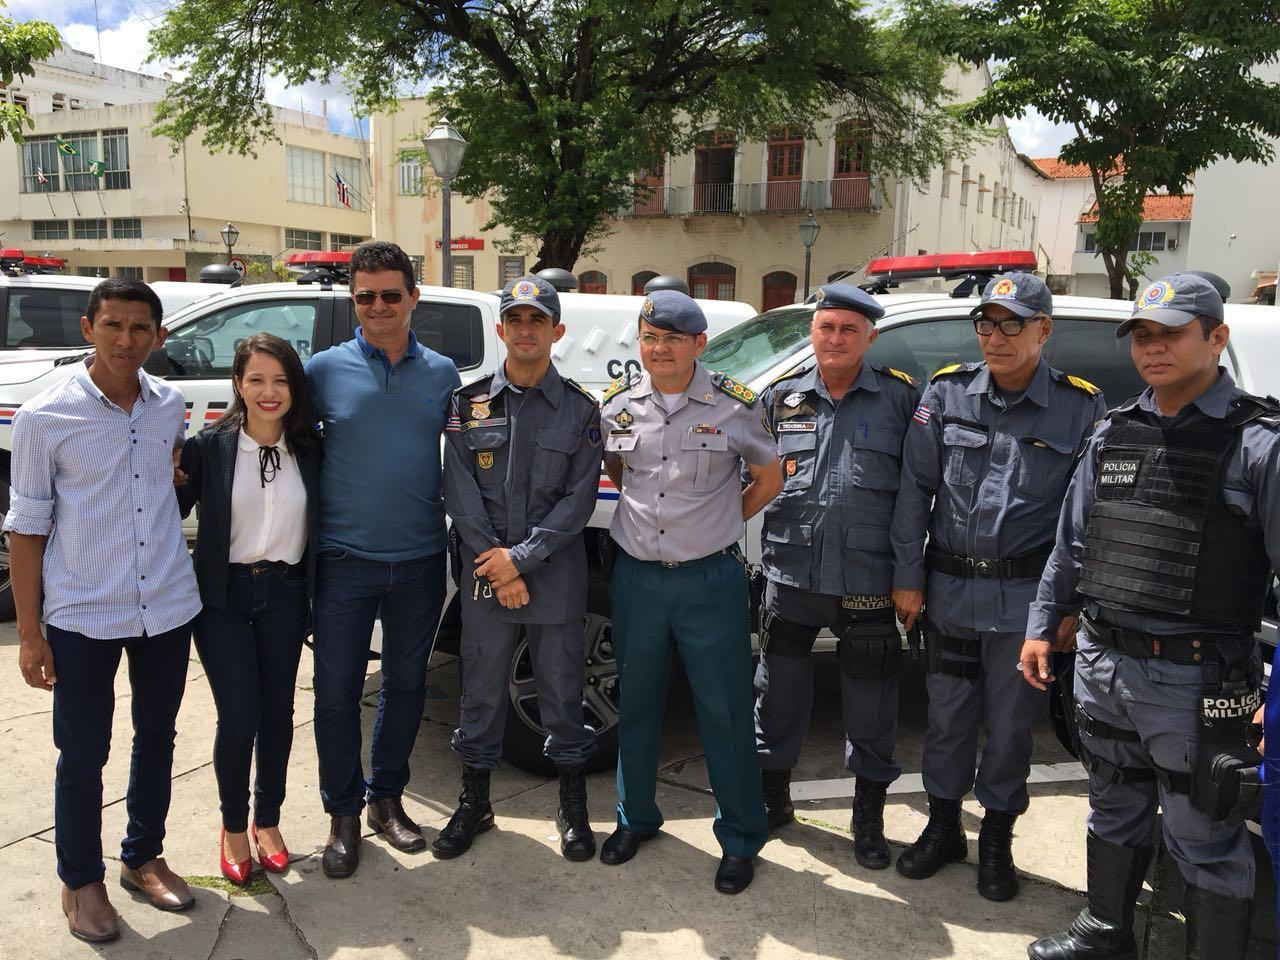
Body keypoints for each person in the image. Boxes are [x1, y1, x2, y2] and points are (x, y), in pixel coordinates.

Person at [1023, 273, 1276, 960]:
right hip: (1104, 664)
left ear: (1216, 339)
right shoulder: (1115, 432)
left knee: (1203, 834)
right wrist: (1042, 624)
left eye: (1171, 334)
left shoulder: (1258, 443)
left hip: (1196, 680)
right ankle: (1107, 931)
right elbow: (1071, 545)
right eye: (1142, 336)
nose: (1153, 348)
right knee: (1113, 804)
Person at [892, 272, 1105, 900]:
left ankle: (997, 839)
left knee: (1012, 726)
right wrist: (907, 578)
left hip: (1025, 606)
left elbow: (1085, 519)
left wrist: (1067, 607)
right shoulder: (948, 393)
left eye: (1012, 323)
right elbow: (914, 492)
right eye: (985, 323)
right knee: (948, 717)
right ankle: (943, 826)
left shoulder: (1079, 406)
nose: (995, 336)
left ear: (1044, 329)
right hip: (951, 593)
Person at [5, 277, 202, 942]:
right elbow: (27, 530)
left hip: (166, 604)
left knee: (159, 735)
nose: (126, 340)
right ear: (88, 327)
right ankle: (80, 881)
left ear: (159, 336)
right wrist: (30, 633)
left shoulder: (167, 403)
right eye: (113, 325)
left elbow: (160, 483)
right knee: (83, 750)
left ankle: (142, 855)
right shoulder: (44, 416)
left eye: (140, 328)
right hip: (82, 611)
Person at [599, 290, 783, 894]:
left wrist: (725, 519)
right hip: (638, 580)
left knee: (724, 710)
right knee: (639, 704)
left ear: (699, 344)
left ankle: (738, 837)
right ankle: (636, 818)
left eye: (673, 339)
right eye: (651, 338)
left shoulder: (734, 405)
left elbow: (770, 474)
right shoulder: (620, 406)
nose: (660, 349)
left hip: (710, 580)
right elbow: (622, 474)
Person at [305, 240, 461, 879]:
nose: (376, 306)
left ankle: (386, 799)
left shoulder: (444, 373)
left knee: (407, 685)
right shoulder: (320, 371)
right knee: (336, 691)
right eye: (364, 295)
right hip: (343, 561)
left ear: (413, 298)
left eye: (389, 294)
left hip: (421, 559)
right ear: (353, 300)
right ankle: (341, 813)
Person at [752, 283, 919, 870]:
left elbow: (915, 495)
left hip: (870, 579)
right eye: (826, 328)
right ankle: (773, 801)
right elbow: (747, 479)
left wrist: (909, 576)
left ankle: (867, 818)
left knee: (872, 701)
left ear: (870, 337)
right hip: (791, 575)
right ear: (813, 334)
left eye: (850, 329)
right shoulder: (779, 399)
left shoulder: (900, 400)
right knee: (778, 692)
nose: (836, 339)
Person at [438, 276, 603, 861]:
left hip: (553, 577)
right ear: (501, 329)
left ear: (556, 332)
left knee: (563, 692)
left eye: (538, 320)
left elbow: (578, 501)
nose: (527, 329)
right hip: (487, 574)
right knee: (480, 692)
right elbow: (459, 491)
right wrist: (498, 565)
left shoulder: (583, 409)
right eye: (516, 320)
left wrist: (520, 560)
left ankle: (573, 806)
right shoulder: (467, 403)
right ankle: (474, 803)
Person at [176, 333, 320, 884]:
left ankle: (269, 820)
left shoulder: (310, 448)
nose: (268, 391)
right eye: (256, 379)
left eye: (280, 380)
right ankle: (234, 826)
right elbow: (167, 510)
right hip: (223, 598)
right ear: (237, 383)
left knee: (278, 715)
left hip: (285, 593)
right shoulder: (208, 447)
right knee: (239, 718)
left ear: (294, 387)